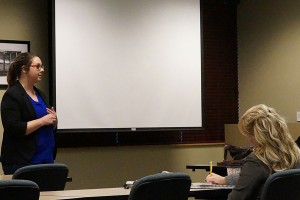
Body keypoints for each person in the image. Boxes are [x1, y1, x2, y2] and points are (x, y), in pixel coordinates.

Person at [205, 104, 300, 199]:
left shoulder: (256, 160)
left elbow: (236, 198)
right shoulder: (294, 156)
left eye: (246, 134)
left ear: (255, 135)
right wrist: (224, 179)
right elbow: (251, 176)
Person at [0, 52, 58, 175]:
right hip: (23, 162)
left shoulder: (41, 94)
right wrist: (42, 121)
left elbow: (47, 122)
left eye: (42, 67)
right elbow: (13, 128)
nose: (41, 70)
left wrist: (53, 120)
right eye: (37, 66)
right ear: (24, 69)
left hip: (46, 160)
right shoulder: (12, 95)